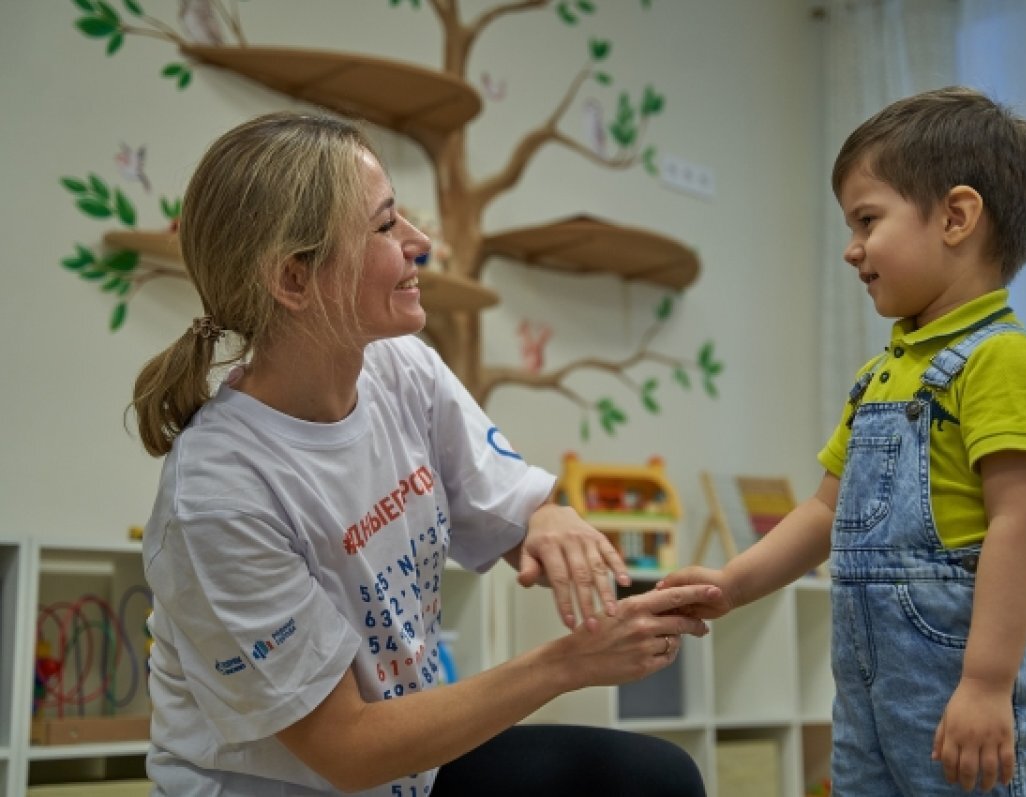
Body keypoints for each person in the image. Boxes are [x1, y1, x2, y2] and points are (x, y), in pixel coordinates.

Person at [130, 110, 718, 797]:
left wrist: (550, 522)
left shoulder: (401, 367)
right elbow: (346, 749)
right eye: (384, 226)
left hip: (409, 776)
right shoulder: (218, 495)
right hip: (321, 777)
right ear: (293, 280)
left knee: (656, 780)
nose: (420, 242)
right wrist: (569, 662)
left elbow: (517, 511)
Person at [661, 86, 1026, 795]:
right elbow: (824, 512)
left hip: (962, 698)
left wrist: (984, 683)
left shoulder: (1006, 360)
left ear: (956, 216)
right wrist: (732, 582)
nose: (852, 249)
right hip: (868, 707)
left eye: (867, 219)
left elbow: (1020, 522)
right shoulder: (879, 375)